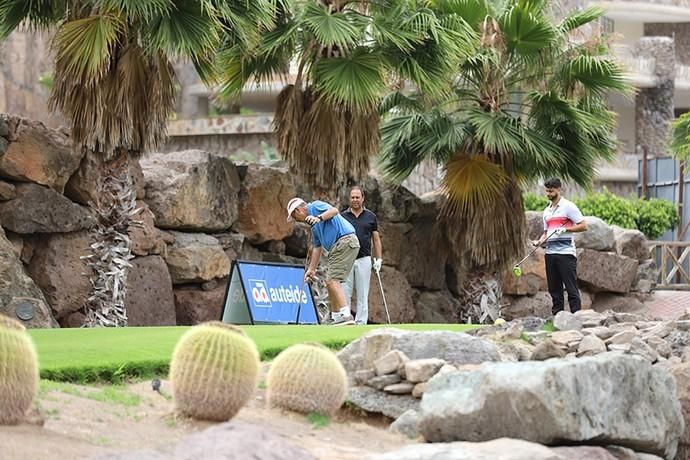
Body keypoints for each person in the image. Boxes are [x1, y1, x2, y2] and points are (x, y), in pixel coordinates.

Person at [286, 197, 360, 325]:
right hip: (339, 246)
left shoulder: (314, 206)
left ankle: (346, 316)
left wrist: (318, 218)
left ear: (298, 210)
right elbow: (317, 248)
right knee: (329, 282)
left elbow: (334, 211)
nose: (296, 220)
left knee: (332, 281)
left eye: (294, 216)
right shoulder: (314, 228)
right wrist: (311, 269)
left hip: (345, 241)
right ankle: (336, 317)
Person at [531, 178, 588, 316]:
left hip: (566, 253)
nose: (549, 194)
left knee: (571, 288)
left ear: (559, 189)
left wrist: (566, 230)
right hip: (550, 253)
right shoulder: (547, 211)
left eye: (551, 191)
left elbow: (584, 225)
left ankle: (577, 317)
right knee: (554, 289)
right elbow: (546, 233)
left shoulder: (568, 207)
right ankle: (558, 318)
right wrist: (539, 241)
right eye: (547, 191)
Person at [341, 186, 382, 325]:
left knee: (363, 294)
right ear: (349, 199)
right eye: (352, 197)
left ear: (363, 198)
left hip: (364, 259)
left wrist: (379, 259)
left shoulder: (371, 217)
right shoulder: (343, 216)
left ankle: (360, 322)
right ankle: (345, 320)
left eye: (357, 197)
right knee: (345, 292)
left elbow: (376, 239)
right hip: (347, 259)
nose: (355, 200)